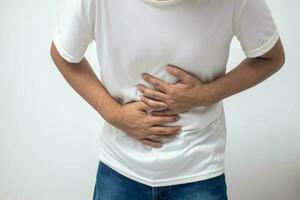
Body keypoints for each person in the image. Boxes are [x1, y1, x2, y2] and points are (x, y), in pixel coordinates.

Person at [50, 0, 285, 199]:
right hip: (120, 167)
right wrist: (114, 113)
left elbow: (270, 57)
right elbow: (63, 54)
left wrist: (205, 94)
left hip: (199, 170)